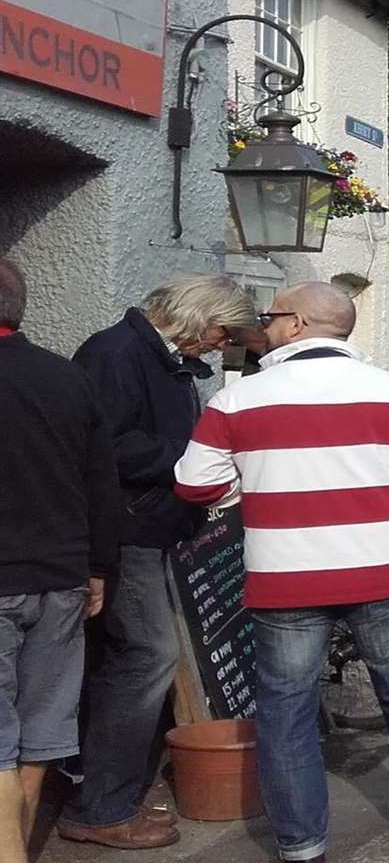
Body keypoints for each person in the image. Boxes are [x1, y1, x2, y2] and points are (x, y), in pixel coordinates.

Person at [172, 282, 389, 862]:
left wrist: (246, 489)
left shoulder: (238, 401)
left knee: (285, 708)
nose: (264, 325)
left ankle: (301, 845)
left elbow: (194, 482)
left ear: (294, 324)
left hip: (284, 576)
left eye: (270, 316)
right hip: (380, 569)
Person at [58, 275, 257, 851]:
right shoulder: (115, 353)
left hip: (151, 529)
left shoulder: (159, 358)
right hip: (127, 532)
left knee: (125, 658)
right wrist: (199, 458)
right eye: (222, 331)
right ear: (198, 316)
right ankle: (101, 805)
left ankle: (103, 787)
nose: (224, 344)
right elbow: (101, 447)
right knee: (147, 656)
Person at [0, 257, 117, 863]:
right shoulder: (67, 379)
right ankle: (15, 843)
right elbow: (102, 482)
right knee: (42, 723)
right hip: (63, 577)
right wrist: (97, 567)